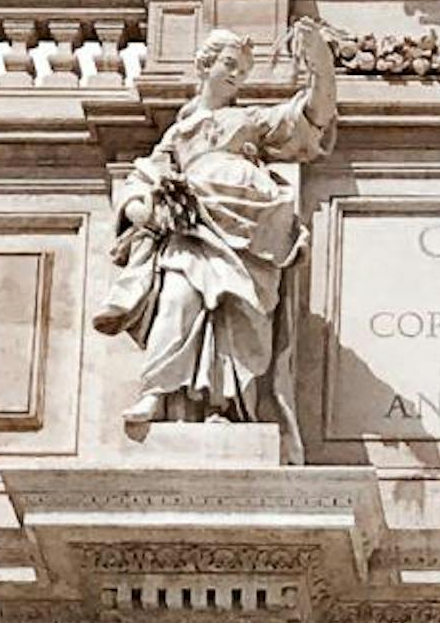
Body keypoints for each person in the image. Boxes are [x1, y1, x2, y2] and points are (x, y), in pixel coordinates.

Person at [96, 21, 338, 427]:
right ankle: (158, 394)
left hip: (249, 227)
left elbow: (315, 115)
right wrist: (143, 208)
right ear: (205, 64)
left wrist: (320, 67)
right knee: (176, 301)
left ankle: (224, 406)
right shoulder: (178, 133)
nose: (235, 75)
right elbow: (141, 179)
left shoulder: (252, 121)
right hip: (192, 227)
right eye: (229, 64)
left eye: (243, 70)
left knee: (239, 314)